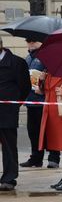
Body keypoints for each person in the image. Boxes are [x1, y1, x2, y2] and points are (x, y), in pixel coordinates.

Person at [19, 39, 60, 169]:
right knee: (33, 132)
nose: (30, 43)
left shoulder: (47, 56)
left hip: (44, 101)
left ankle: (54, 157)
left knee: (50, 131)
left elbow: (54, 76)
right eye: (28, 41)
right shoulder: (27, 58)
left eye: (33, 41)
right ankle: (36, 158)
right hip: (30, 100)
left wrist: (43, 86)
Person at [0, 36, 30, 191]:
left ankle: (9, 178)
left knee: (9, 146)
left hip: (7, 112)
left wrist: (15, 104)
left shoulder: (17, 63)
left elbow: (25, 87)